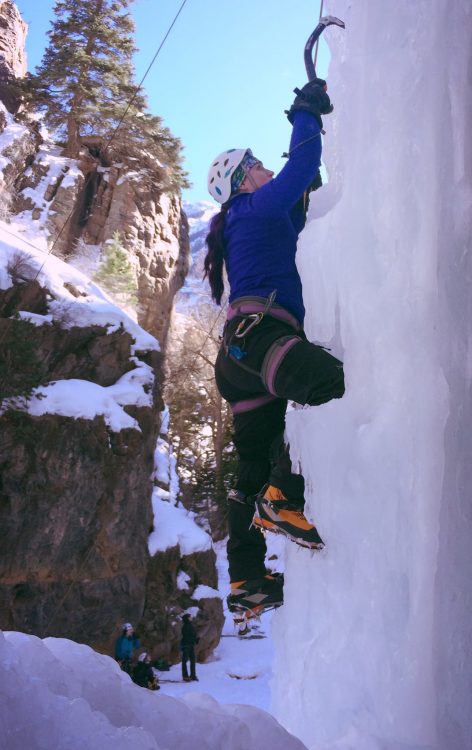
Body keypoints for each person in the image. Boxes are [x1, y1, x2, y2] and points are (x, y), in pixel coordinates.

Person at [204, 78, 345, 625]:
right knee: (333, 382)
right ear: (243, 181)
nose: (265, 168)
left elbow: (301, 196)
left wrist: (305, 175)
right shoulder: (254, 208)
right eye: (257, 164)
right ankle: (282, 498)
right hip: (262, 340)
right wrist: (305, 114)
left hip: (240, 358)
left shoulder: (253, 220)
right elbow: (298, 172)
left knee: (252, 462)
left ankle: (247, 581)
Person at [180, 613, 199, 682]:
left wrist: (196, 639)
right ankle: (185, 676)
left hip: (191, 645)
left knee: (193, 660)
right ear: (187, 618)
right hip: (186, 645)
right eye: (190, 617)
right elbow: (186, 637)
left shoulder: (191, 625)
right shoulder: (185, 626)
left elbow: (193, 635)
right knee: (184, 661)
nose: (191, 618)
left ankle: (193, 675)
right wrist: (194, 640)